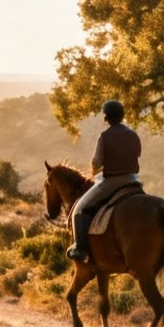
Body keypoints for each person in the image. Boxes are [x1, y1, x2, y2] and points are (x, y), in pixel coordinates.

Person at [67, 99, 142, 263]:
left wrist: (94, 173)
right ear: (122, 116)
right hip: (133, 180)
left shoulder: (104, 136)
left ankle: (80, 249)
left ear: (106, 117)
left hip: (112, 181)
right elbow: (137, 155)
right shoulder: (133, 134)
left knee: (80, 208)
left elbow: (96, 163)